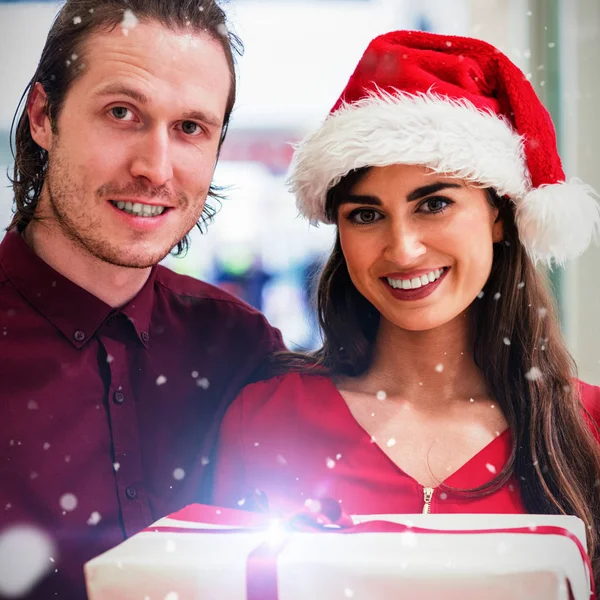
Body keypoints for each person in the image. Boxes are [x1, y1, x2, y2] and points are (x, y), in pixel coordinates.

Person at [212, 30, 600, 590]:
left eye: (435, 204)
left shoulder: (587, 429)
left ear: (498, 214)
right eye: (366, 215)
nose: (403, 248)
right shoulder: (266, 419)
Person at [0, 1, 283, 598]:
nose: (156, 169)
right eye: (122, 112)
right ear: (43, 116)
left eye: (190, 128)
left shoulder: (242, 350)